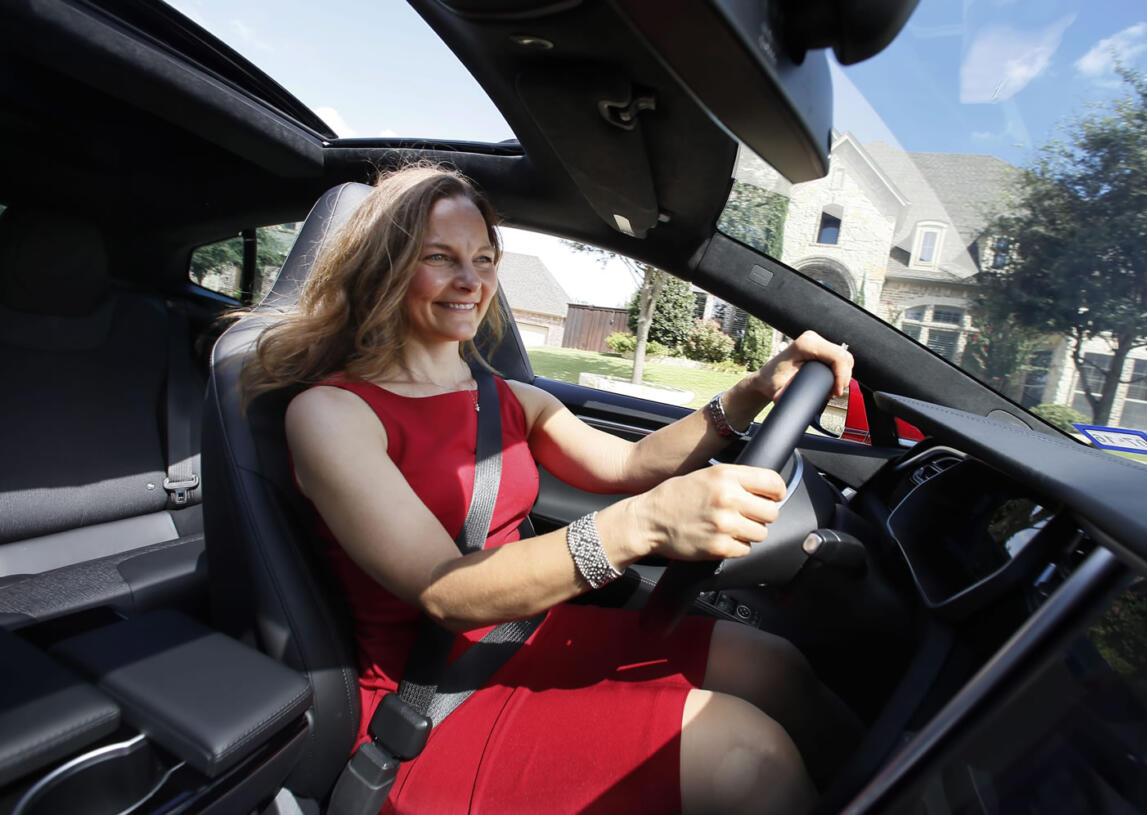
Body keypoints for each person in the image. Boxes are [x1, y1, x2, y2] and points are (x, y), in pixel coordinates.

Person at [241, 163, 858, 815]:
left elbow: (633, 464)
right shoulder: (330, 413)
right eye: (440, 258)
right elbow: (446, 589)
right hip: (433, 699)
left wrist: (750, 391)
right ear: (384, 267)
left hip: (529, 634)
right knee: (748, 760)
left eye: (483, 258)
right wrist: (641, 526)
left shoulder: (507, 397)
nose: (471, 280)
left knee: (777, 665)